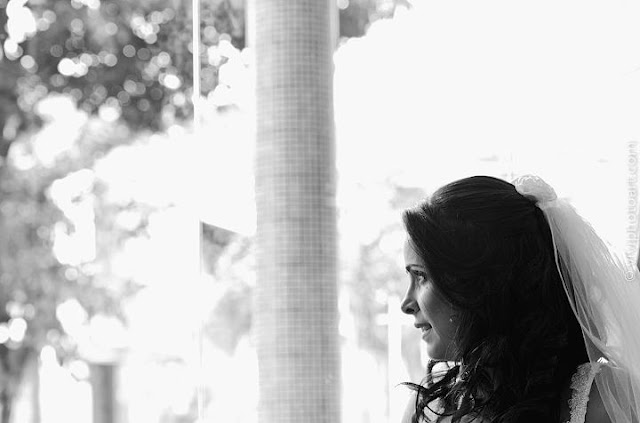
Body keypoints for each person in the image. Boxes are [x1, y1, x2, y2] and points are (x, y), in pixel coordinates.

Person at [399, 175, 640, 423]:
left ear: (480, 284)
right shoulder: (430, 404)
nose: (406, 304)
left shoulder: (600, 401)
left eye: (421, 276)